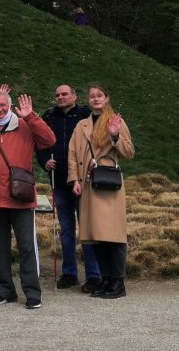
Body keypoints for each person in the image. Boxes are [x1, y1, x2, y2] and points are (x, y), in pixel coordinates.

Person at [0, 89, 56, 309]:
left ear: (9, 105)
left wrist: (31, 116)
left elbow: (49, 139)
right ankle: (5, 290)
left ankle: (32, 291)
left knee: (26, 246)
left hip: (20, 197)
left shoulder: (25, 125)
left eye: (3, 105)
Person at [68, 83, 135, 299]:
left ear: (106, 98)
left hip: (109, 186)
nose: (96, 99)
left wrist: (114, 136)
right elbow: (72, 154)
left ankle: (118, 282)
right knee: (95, 236)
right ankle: (106, 279)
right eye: (92, 96)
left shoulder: (116, 121)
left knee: (113, 236)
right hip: (89, 185)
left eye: (100, 96)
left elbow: (129, 152)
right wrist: (74, 180)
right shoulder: (82, 125)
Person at [39, 84, 100, 292]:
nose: (60, 97)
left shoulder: (86, 114)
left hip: (83, 180)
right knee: (66, 229)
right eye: (57, 95)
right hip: (59, 180)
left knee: (87, 228)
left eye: (65, 94)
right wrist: (45, 161)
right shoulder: (48, 116)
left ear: (74, 96)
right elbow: (40, 143)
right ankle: (70, 273)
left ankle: (94, 274)